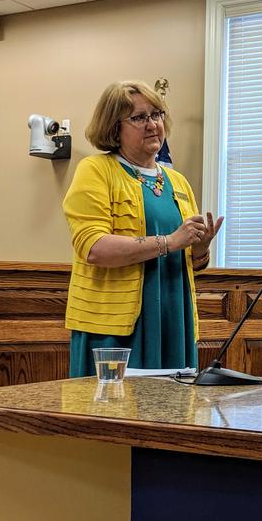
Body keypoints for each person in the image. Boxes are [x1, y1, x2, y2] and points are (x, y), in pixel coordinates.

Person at [62, 80, 223, 377]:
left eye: (157, 114)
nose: (152, 125)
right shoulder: (96, 170)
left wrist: (199, 250)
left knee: (174, 414)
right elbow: (94, 249)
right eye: (139, 118)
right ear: (114, 128)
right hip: (114, 326)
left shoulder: (178, 181)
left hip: (174, 318)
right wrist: (172, 241)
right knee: (112, 416)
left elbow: (186, 258)